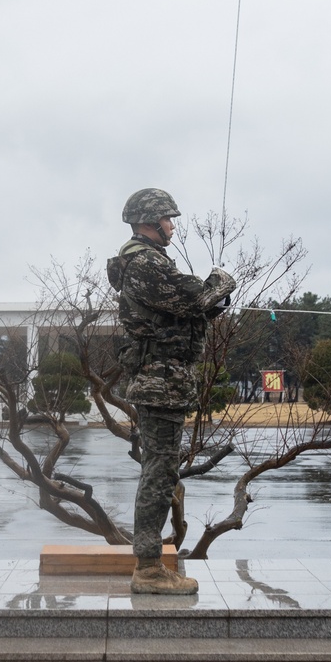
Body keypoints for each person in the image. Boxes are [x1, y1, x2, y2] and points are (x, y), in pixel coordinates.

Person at [107, 189, 236, 595]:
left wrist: (208, 299)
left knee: (161, 471)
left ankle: (150, 561)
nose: (172, 227)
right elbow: (196, 296)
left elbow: (188, 307)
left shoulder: (146, 262)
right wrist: (221, 281)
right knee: (160, 473)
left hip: (162, 379)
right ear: (150, 220)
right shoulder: (145, 262)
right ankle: (148, 567)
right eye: (168, 219)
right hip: (159, 381)